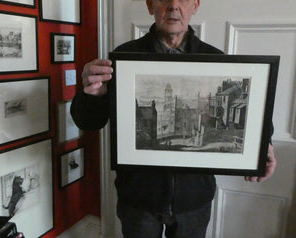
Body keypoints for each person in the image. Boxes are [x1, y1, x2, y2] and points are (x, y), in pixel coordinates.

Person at [71, 0, 277, 237]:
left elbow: (255, 110)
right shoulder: (123, 59)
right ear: (150, 5)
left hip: (194, 202)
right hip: (138, 200)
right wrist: (92, 96)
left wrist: (264, 145)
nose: (173, 6)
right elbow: (87, 122)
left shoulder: (215, 58)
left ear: (195, 5)